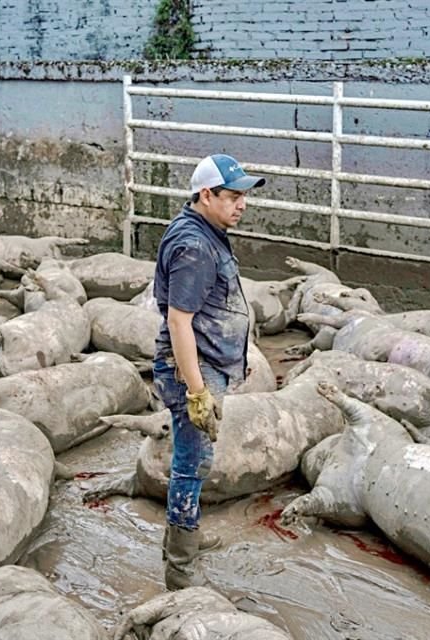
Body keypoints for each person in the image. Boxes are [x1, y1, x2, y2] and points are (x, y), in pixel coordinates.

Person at [152, 153, 265, 589]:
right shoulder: (196, 246)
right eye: (233, 196)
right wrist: (197, 391)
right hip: (192, 368)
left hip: (206, 362)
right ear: (206, 195)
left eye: (243, 197)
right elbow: (179, 321)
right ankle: (180, 567)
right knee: (192, 462)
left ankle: (185, 537)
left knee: (196, 458)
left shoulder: (205, 232)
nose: (242, 205)